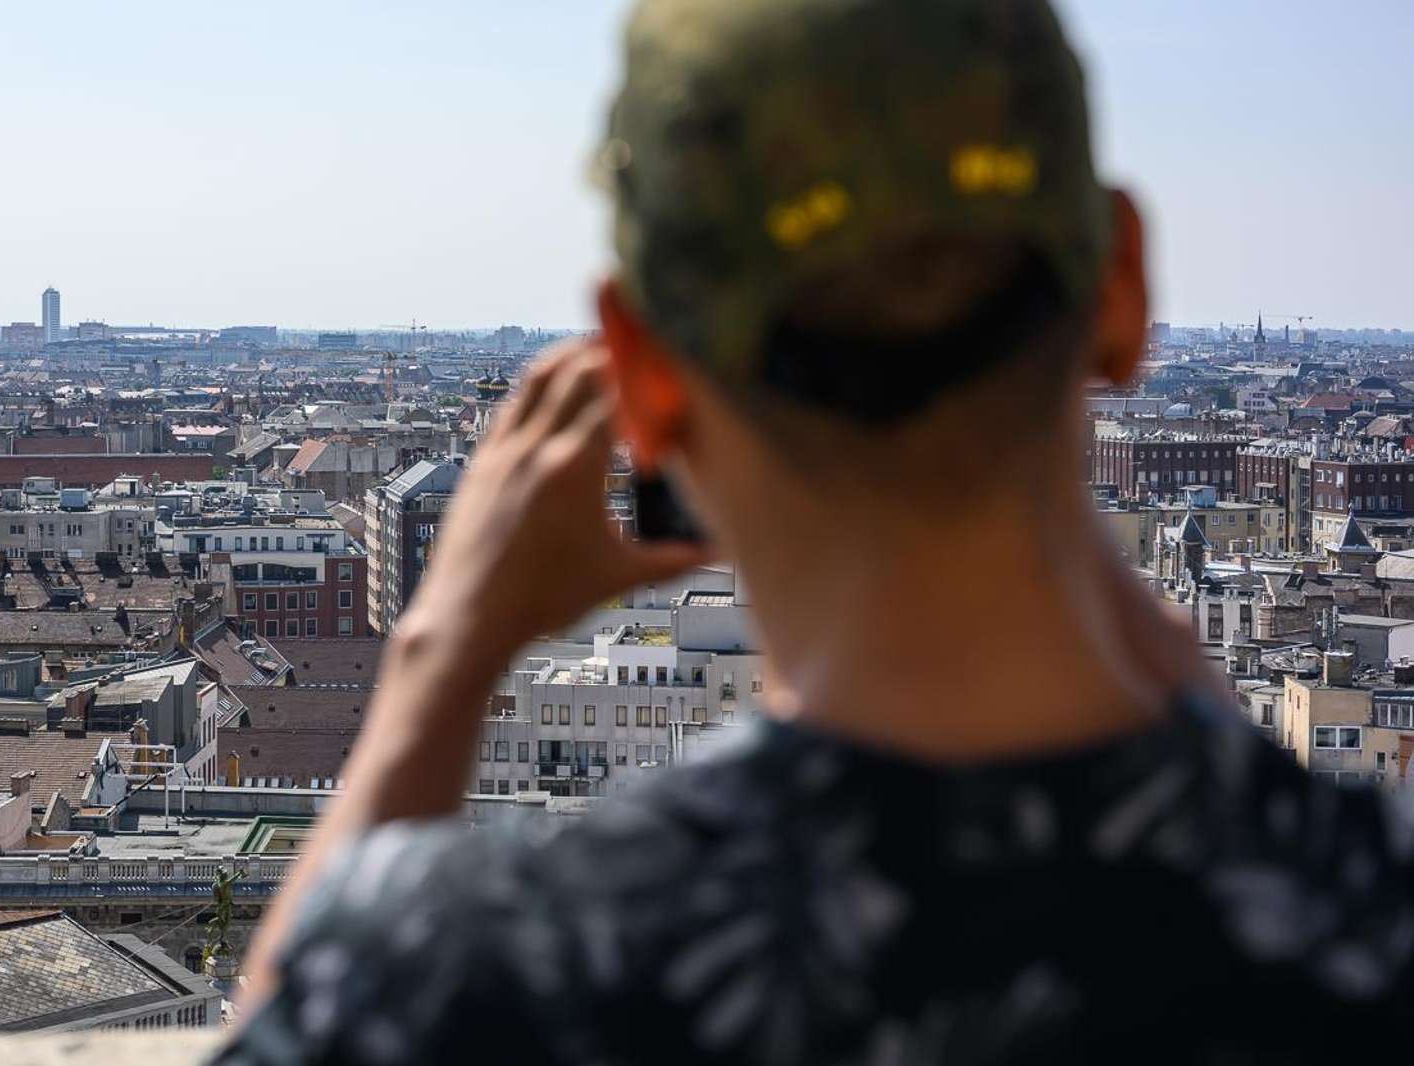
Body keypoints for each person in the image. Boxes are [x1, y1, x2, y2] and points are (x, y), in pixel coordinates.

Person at [219, 0, 1414, 1062]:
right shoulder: (1364, 911)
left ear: (643, 375)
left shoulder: (495, 973)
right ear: (1122, 287)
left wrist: (443, 659)